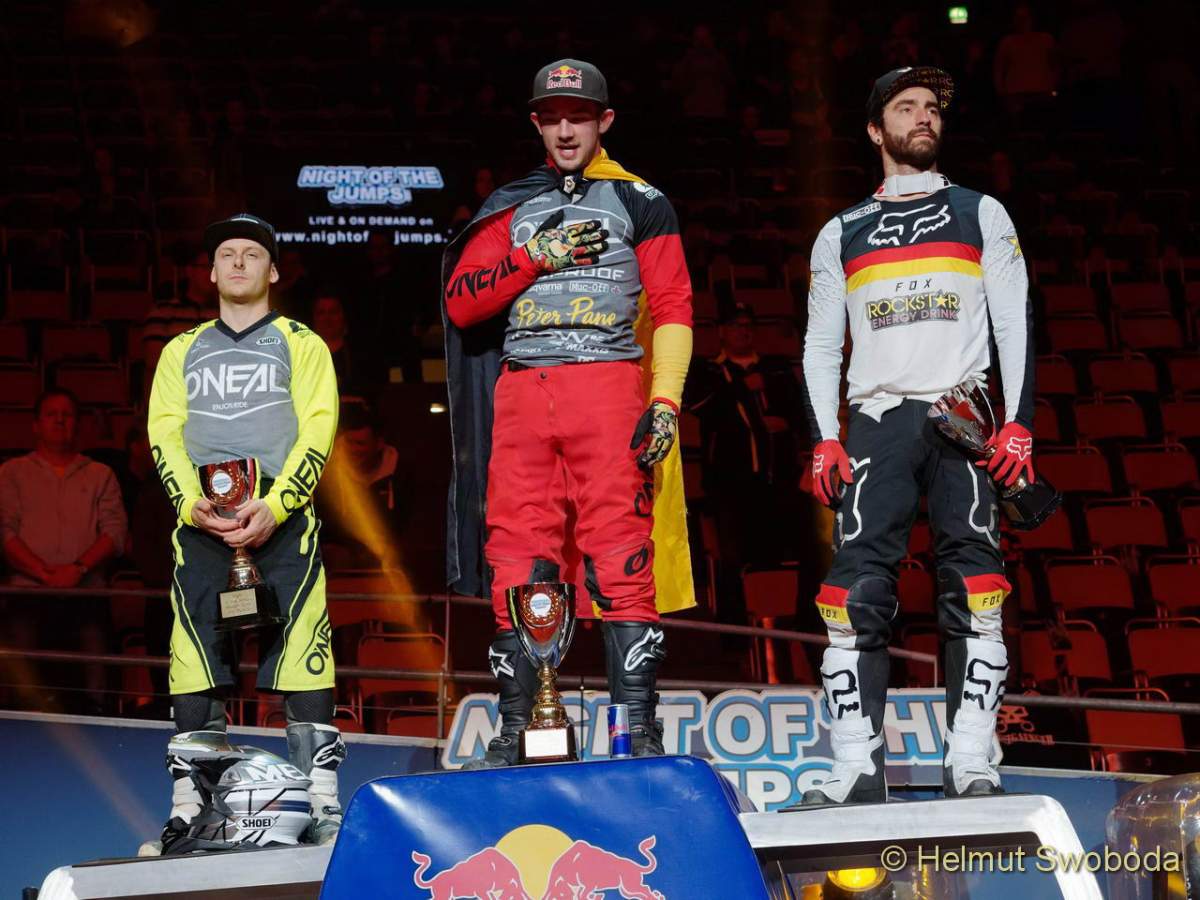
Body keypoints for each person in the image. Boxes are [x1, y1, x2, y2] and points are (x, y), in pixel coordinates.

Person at [442, 59, 694, 766]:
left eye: (577, 117)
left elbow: (674, 305)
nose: (564, 130)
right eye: (551, 117)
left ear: (603, 121)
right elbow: (462, 302)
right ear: (535, 123)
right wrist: (532, 258)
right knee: (516, 555)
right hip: (523, 393)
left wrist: (665, 401)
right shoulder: (510, 207)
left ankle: (635, 733)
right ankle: (520, 730)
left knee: (622, 555)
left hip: (608, 389)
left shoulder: (642, 201)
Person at [801, 67, 1035, 803]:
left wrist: (1020, 423)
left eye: (932, 107)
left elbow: (1014, 324)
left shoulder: (982, 212)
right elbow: (819, 346)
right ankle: (855, 768)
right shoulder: (840, 232)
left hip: (963, 416)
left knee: (977, 589)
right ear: (876, 129)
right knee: (854, 594)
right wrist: (824, 436)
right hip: (876, 422)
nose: (924, 117)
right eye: (906, 108)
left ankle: (971, 762)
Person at [142, 213, 344, 854]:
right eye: (226, 253)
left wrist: (278, 505)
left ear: (273, 270)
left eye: (251, 254)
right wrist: (189, 502)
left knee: (305, 652)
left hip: (282, 523)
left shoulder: (302, 343)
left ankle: (323, 807)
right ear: (210, 272)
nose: (237, 262)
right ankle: (191, 809)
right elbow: (164, 433)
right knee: (194, 659)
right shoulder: (180, 350)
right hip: (201, 525)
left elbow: (318, 428)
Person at [685, 302, 809, 633]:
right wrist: (743, 391)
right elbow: (703, 408)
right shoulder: (708, 372)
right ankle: (737, 638)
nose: (743, 331)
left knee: (782, 558)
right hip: (730, 486)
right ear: (721, 332)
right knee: (734, 560)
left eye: (747, 325)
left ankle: (788, 632)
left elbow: (798, 411)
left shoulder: (775, 369)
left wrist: (781, 424)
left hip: (779, 481)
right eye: (735, 325)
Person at [0, 389, 127, 712]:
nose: (59, 421)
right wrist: (44, 574)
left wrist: (78, 569)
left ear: (77, 424)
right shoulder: (11, 472)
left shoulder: (100, 474)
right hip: (27, 594)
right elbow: (4, 531)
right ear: (36, 425)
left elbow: (115, 533)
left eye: (67, 415)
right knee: (22, 693)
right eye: (51, 415)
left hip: (87, 594)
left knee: (94, 689)